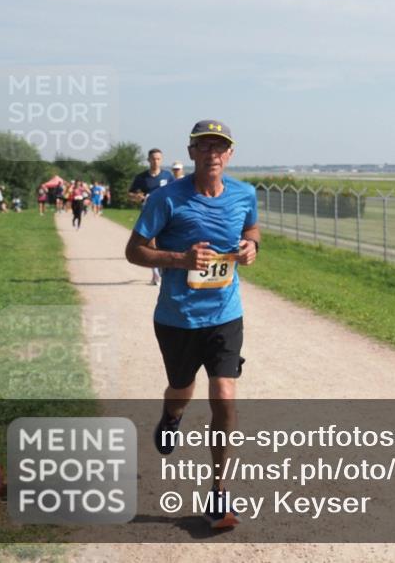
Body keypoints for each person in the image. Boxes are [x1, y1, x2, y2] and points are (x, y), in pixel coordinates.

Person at [124, 119, 259, 530]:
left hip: (225, 314)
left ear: (229, 154)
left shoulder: (244, 193)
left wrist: (252, 245)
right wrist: (180, 259)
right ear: (192, 152)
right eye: (204, 146)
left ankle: (219, 492)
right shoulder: (166, 199)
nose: (212, 154)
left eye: (220, 147)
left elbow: (251, 227)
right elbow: (134, 251)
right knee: (181, 390)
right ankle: (171, 416)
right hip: (177, 317)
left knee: (224, 396)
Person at [129, 149, 176, 285]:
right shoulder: (142, 177)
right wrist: (138, 197)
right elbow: (130, 194)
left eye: (158, 159)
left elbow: (176, 192)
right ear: (148, 160)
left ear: (161, 160)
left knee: (165, 242)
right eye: (153, 159)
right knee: (151, 244)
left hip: (166, 214)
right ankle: (156, 274)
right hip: (149, 214)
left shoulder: (167, 176)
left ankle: (165, 270)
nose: (156, 161)